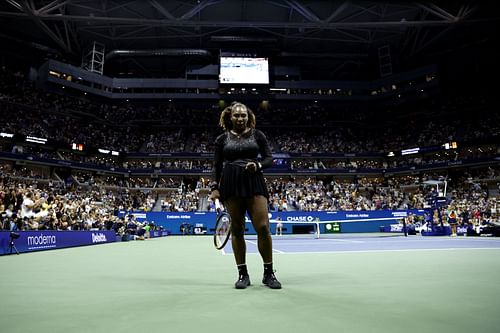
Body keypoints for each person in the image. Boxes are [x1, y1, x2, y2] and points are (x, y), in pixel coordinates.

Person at [210, 101, 282, 289]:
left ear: (248, 116)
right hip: (231, 183)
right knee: (237, 229)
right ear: (230, 117)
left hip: (254, 180)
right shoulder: (221, 139)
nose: (240, 118)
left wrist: (257, 165)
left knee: (263, 227)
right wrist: (214, 188)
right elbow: (216, 166)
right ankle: (243, 274)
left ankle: (268, 273)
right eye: (237, 115)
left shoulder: (258, 135)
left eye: (243, 115)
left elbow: (268, 158)